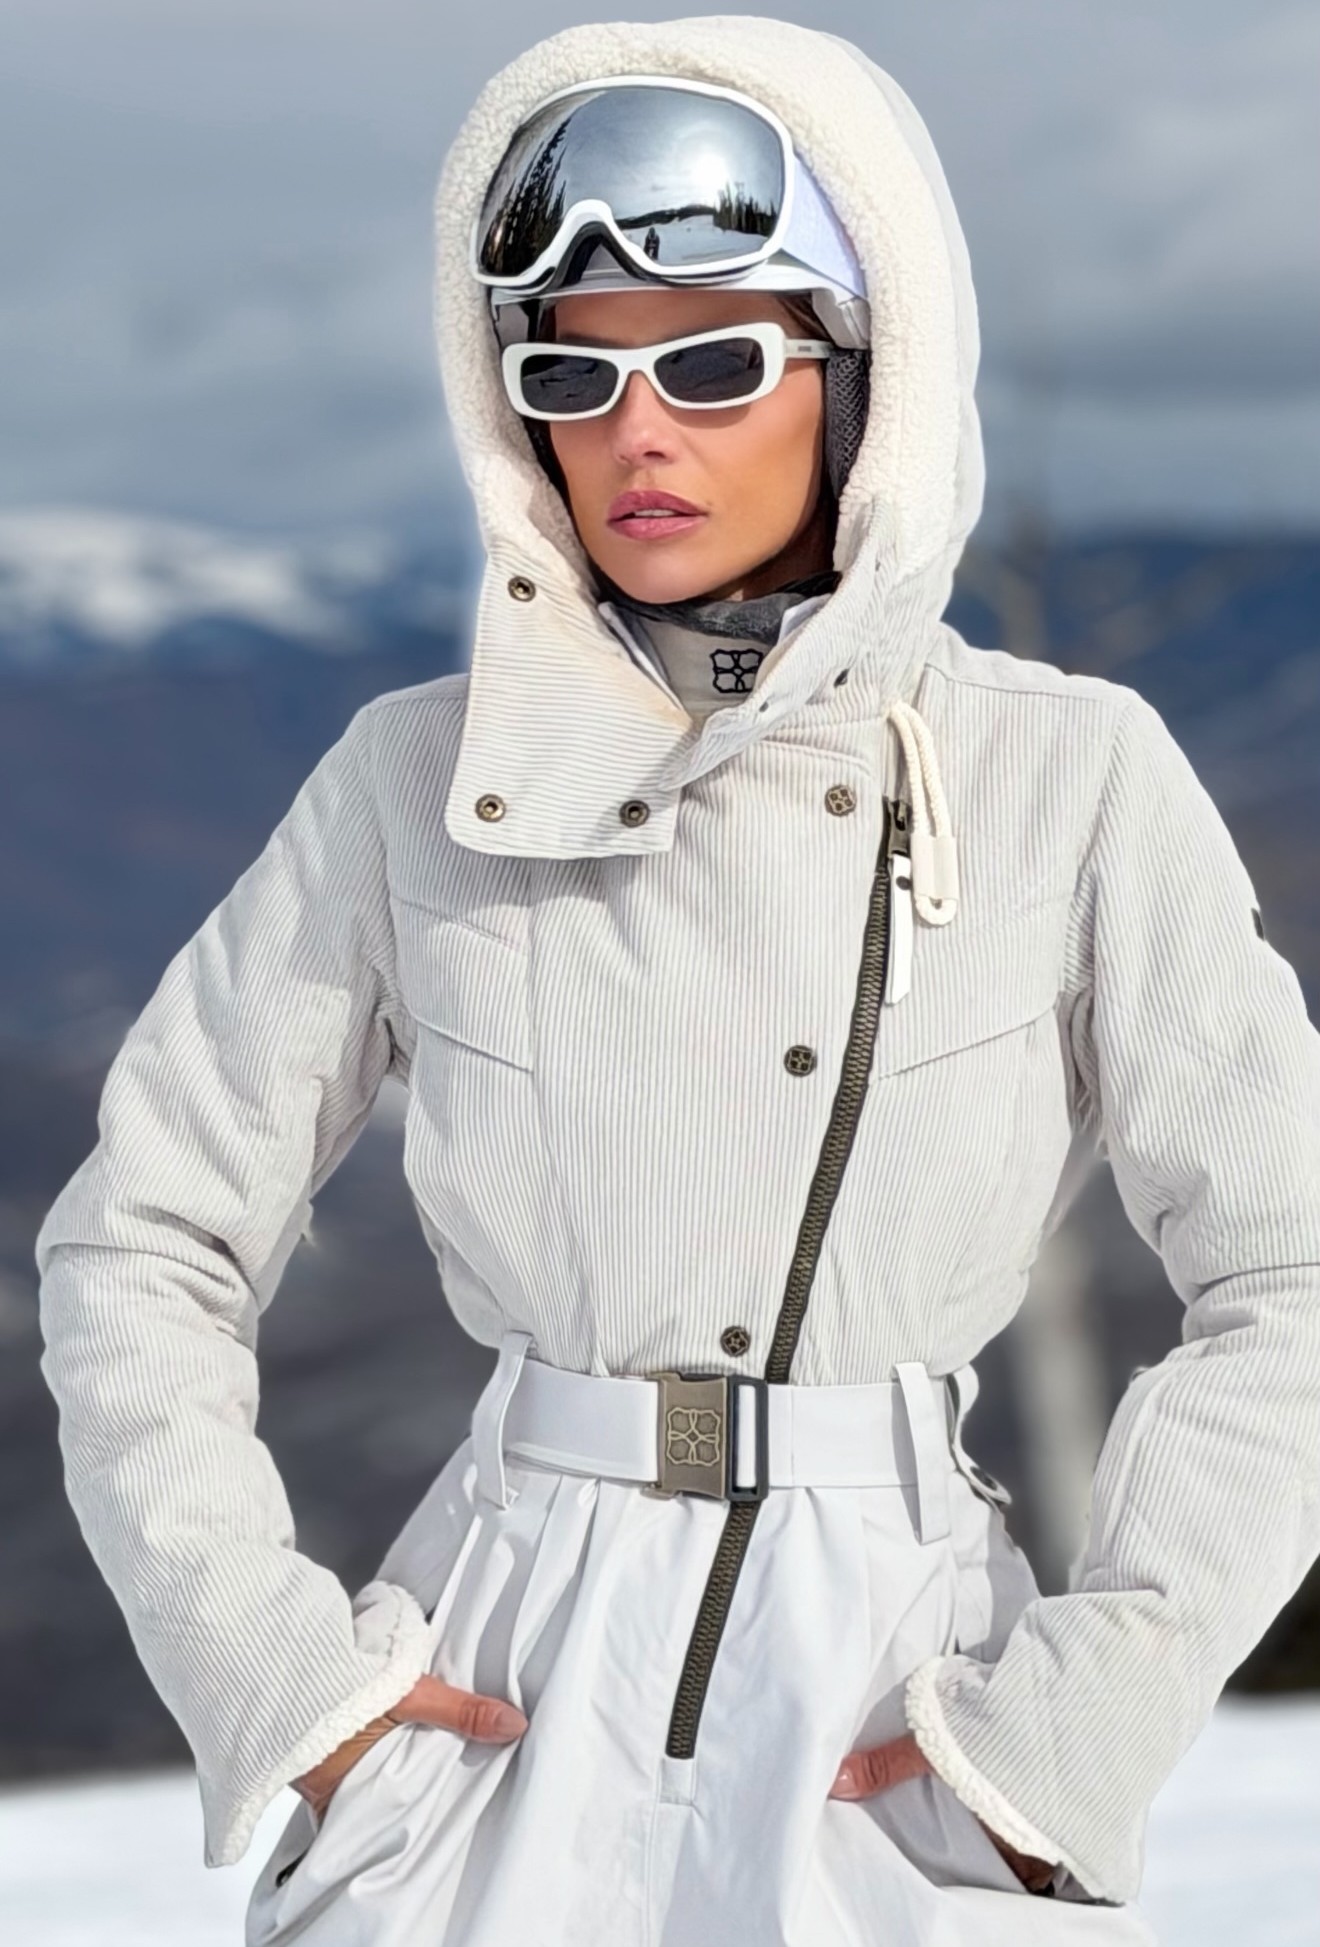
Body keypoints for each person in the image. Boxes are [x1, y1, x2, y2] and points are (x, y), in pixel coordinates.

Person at [32, 18, 1320, 1947]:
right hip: (490, 1676)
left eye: (715, 365)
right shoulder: (409, 779)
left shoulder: (1070, 774)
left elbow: (1294, 1274)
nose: (640, 436)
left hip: (897, 1710)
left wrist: (1076, 1724)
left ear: (862, 380)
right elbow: (139, 1242)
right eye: (575, 374)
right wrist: (282, 1682)